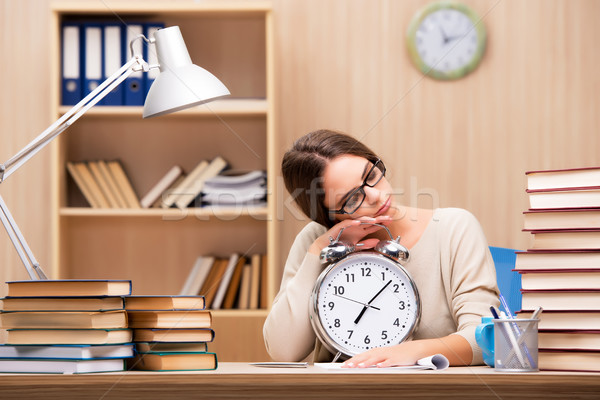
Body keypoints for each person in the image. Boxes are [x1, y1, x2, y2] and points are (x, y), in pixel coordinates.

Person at [263, 129, 500, 367]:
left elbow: (485, 341)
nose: (376, 195)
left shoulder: (453, 228)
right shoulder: (316, 240)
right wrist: (319, 251)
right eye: (353, 199)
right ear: (329, 215)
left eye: (371, 174)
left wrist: (410, 352)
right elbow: (283, 351)